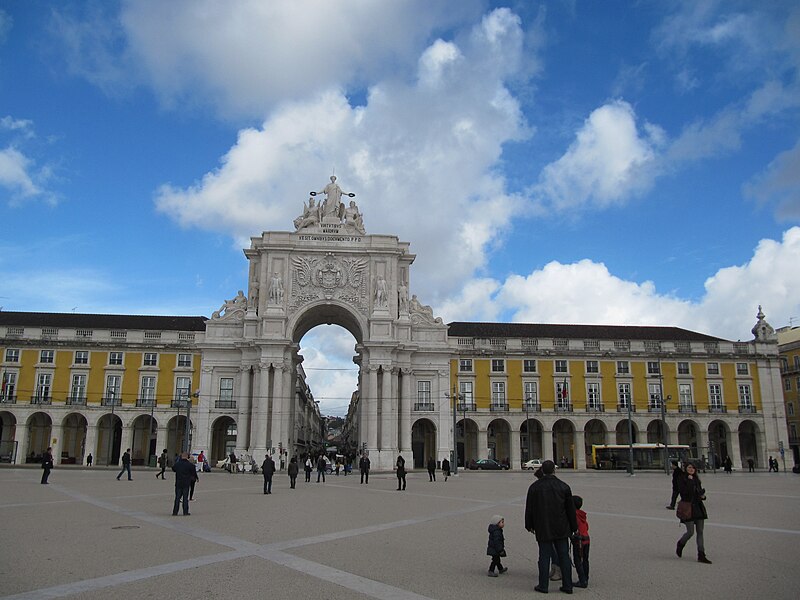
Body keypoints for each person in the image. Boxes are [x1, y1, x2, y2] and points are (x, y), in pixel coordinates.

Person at [524, 459, 577, 594]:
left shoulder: (534, 487)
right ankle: (568, 585)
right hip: (562, 527)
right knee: (564, 556)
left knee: (544, 557)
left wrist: (529, 525)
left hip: (543, 526)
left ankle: (543, 586)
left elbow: (529, 508)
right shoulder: (564, 486)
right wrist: (574, 527)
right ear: (554, 470)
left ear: (542, 470)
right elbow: (570, 509)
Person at [676, 462, 712, 564]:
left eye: (693, 468)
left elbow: (699, 491)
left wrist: (703, 496)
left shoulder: (696, 479)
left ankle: (701, 554)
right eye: (689, 467)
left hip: (698, 507)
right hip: (688, 507)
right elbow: (684, 492)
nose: (691, 469)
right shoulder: (682, 479)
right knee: (690, 532)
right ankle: (681, 543)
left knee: (700, 531)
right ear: (685, 468)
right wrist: (690, 482)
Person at [572, 496, 590, 588]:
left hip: (579, 540)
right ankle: (586, 578)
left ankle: (582, 580)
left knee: (578, 560)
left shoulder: (574, 515)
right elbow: (586, 526)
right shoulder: (582, 515)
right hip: (586, 538)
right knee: (585, 560)